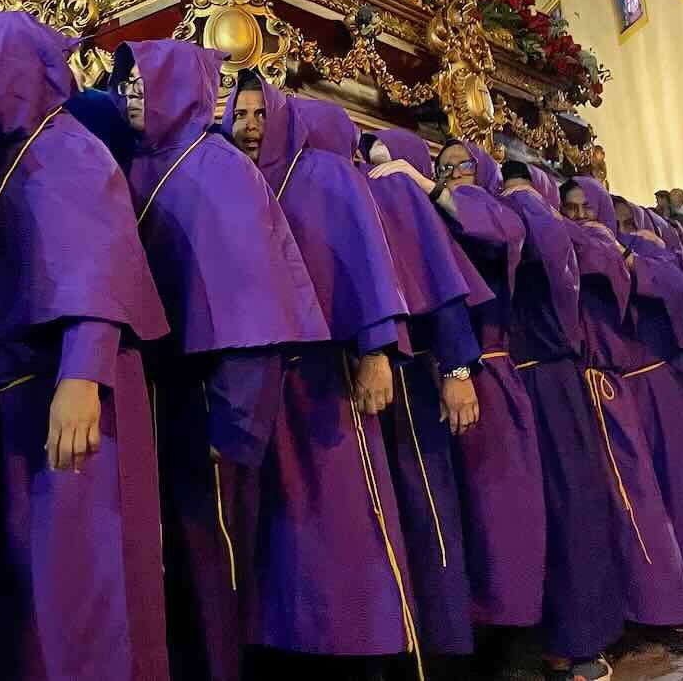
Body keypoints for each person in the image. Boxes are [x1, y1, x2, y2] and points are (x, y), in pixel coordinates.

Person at [0, 13, 169, 681]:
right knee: (15, 590)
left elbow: (97, 265)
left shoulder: (70, 150)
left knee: (79, 590)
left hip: (61, 397)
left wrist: (82, 376)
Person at [107, 41, 327, 681]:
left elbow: (253, 309)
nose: (130, 100)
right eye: (127, 89)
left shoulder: (219, 169)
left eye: (143, 88)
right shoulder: (143, 163)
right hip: (159, 397)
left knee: (214, 568)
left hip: (207, 406)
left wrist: (232, 425)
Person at [224, 80, 420, 667]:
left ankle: (368, 646)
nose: (252, 124)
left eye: (262, 112)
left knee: (347, 519)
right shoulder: (237, 180)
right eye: (242, 113)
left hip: (328, 375)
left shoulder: (327, 175)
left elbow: (367, 259)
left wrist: (377, 349)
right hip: (264, 382)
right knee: (283, 533)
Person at [364, 129, 488, 661]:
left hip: (418, 378)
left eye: (387, 160)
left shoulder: (409, 202)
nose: (376, 169)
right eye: (368, 159)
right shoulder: (373, 198)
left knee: (432, 512)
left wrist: (458, 370)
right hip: (381, 381)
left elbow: (442, 291)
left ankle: (448, 645)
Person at [498, 162, 624, 681]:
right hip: (510, 384)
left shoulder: (551, 231)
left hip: (552, 383)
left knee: (572, 506)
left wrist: (527, 201)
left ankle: (580, 636)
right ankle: (544, 637)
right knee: (525, 518)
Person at [561, 179, 683, 630]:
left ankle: (664, 602)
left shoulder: (622, 245)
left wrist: (630, 256)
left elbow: (675, 286)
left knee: (647, 495)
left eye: (584, 206)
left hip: (628, 387)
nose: (578, 216)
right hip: (593, 390)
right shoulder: (568, 244)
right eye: (569, 208)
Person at [429, 142, 547, 634]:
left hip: (491, 377)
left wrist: (433, 189)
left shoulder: (498, 215)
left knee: (503, 509)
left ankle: (514, 633)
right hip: (441, 377)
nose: (455, 173)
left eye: (464, 165)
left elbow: (491, 229)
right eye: (444, 167)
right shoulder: (435, 219)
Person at [611, 197, 683, 599]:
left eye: (626, 221)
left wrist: (646, 255)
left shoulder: (651, 255)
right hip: (618, 390)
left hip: (658, 384)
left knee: (680, 485)